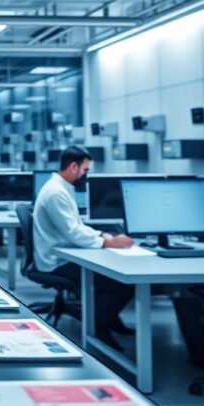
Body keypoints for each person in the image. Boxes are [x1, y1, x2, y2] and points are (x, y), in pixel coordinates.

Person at [33, 145, 135, 351]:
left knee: (112, 277)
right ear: (73, 167)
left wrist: (102, 236)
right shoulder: (55, 193)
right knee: (119, 282)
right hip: (55, 261)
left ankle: (107, 319)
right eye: (85, 170)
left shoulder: (61, 188)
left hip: (63, 252)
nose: (86, 175)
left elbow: (75, 227)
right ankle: (99, 327)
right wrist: (108, 242)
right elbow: (73, 232)